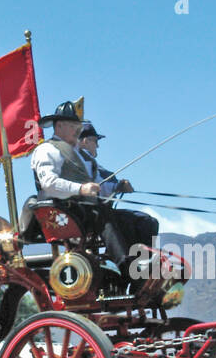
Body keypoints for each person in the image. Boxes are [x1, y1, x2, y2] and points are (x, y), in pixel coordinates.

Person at [29, 102, 158, 276]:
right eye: (74, 125)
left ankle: (142, 269)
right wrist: (81, 189)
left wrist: (117, 187)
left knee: (145, 221)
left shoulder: (83, 156)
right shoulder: (46, 149)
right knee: (102, 213)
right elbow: (49, 184)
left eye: (78, 126)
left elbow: (98, 185)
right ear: (59, 126)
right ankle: (127, 267)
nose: (78, 129)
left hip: (89, 210)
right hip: (65, 211)